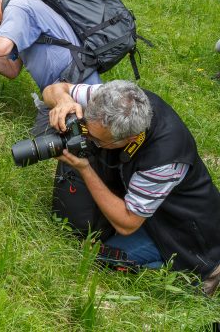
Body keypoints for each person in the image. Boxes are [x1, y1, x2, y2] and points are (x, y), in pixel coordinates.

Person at [42, 79, 220, 295]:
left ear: (129, 139)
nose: (87, 138)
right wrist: (63, 101)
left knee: (100, 255)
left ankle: (196, 271)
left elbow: (127, 224)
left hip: (180, 229)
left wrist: (85, 169)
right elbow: (54, 89)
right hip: (142, 199)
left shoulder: (163, 159)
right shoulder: (115, 100)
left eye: (97, 140)